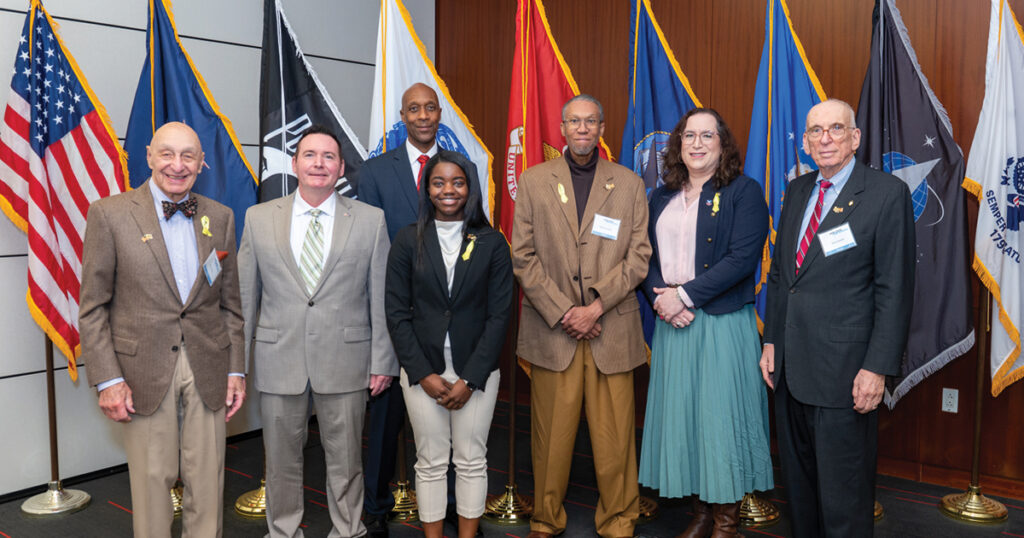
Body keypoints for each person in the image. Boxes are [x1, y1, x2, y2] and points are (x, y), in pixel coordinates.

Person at [80, 121, 246, 538]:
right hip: (141, 372)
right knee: (153, 485)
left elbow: (231, 304)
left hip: (208, 365)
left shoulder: (220, 217)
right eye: (167, 154)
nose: (177, 165)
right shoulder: (110, 214)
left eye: (188, 155)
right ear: (149, 156)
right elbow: (93, 308)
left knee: (208, 485)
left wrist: (236, 370)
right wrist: (109, 380)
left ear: (202, 163)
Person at [759, 99, 914, 537]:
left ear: (854, 138)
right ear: (806, 143)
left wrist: (877, 368)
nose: (824, 139)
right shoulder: (797, 190)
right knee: (801, 493)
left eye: (835, 129)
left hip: (846, 374)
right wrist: (771, 341)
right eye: (815, 132)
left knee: (843, 499)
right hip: (789, 368)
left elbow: (894, 290)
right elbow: (781, 275)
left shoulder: (886, 194)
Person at [238, 125, 398, 537]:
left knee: (346, 460)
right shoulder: (258, 219)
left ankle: (348, 529)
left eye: (328, 157)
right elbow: (245, 297)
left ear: (341, 167)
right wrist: (237, 367)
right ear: (294, 164)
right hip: (278, 359)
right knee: (280, 460)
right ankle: (284, 530)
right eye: (310, 155)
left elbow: (380, 297)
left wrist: (383, 360)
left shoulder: (370, 220)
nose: (319, 164)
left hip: (347, 360)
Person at [510, 94, 651, 538]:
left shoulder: (628, 183)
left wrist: (594, 307)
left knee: (615, 441)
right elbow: (523, 257)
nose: (583, 129)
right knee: (550, 439)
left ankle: (618, 520)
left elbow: (639, 255)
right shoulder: (534, 181)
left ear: (602, 127)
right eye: (575, 121)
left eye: (591, 121)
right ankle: (546, 520)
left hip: (610, 326)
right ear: (562, 127)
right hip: (554, 331)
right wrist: (566, 311)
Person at [639, 109, 773, 538]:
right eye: (689, 136)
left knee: (720, 422)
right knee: (685, 420)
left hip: (720, 322)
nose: (697, 144)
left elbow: (741, 260)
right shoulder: (661, 196)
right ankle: (698, 513)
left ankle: (726, 520)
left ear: (722, 144)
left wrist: (685, 296)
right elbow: (643, 256)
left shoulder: (744, 192)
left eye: (707, 136)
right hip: (672, 324)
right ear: (678, 145)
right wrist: (663, 298)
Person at [384, 150, 513, 538]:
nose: (448, 190)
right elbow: (396, 312)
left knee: (472, 459)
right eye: (439, 182)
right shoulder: (408, 239)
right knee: (430, 460)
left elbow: (499, 316)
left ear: (469, 188)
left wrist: (471, 379)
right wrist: (422, 373)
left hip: (477, 369)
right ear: (427, 188)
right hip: (423, 370)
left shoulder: (492, 242)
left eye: (457, 182)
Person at [358, 82, 441, 537]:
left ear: (439, 113)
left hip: (445, 317)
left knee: (445, 417)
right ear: (402, 117)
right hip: (390, 314)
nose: (423, 115)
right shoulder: (373, 174)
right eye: (414, 108)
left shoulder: (458, 167)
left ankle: (447, 505)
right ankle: (375, 507)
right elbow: (366, 248)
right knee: (384, 422)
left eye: (430, 107)